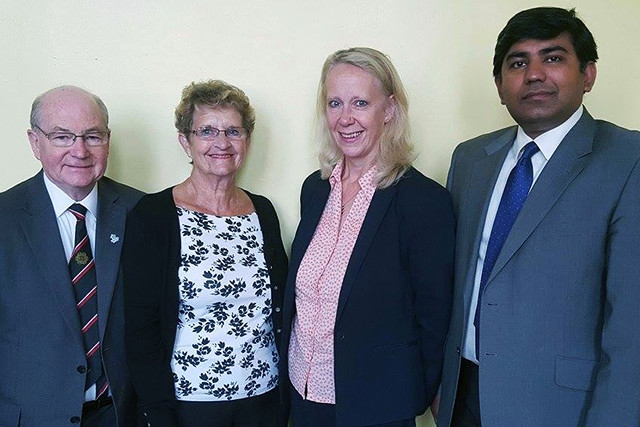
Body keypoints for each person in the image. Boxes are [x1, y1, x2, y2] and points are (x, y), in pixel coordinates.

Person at [437, 7, 640, 427]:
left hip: (563, 409)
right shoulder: (471, 158)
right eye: (518, 62)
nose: (533, 74)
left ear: (588, 74)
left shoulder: (627, 159)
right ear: (499, 85)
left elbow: (632, 329)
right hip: (464, 400)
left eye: (553, 57)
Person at [280, 47, 455, 427]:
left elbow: (434, 316)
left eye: (361, 103)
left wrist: (408, 397)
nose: (345, 119)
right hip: (303, 394)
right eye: (335, 103)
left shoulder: (424, 201)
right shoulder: (315, 188)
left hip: (377, 405)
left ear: (389, 109)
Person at [123, 80, 289, 427]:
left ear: (247, 140)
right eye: (207, 131)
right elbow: (141, 327)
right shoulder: (153, 215)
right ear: (186, 141)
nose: (222, 143)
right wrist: (158, 409)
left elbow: (281, 307)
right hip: (188, 405)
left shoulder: (263, 212)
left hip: (264, 400)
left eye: (233, 131)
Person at [0, 86, 143, 426]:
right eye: (62, 137)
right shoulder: (5, 218)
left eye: (92, 136)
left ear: (108, 140)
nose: (80, 151)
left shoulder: (141, 212)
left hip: (120, 416)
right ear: (36, 143)